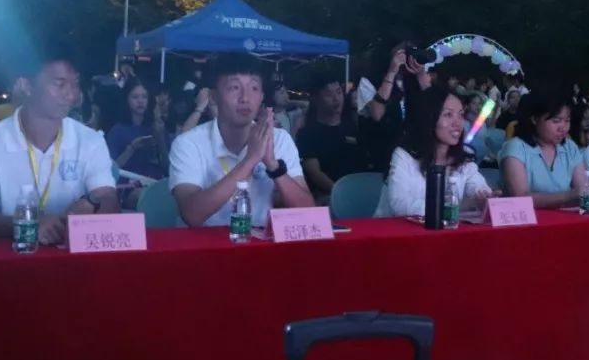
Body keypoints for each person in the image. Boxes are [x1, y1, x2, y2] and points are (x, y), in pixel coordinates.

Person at [0, 47, 120, 243]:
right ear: (26, 86)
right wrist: (28, 225)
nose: (71, 95)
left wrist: (92, 204)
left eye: (75, 84)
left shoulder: (90, 141)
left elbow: (108, 198)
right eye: (60, 84)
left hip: (73, 256)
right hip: (11, 257)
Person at [169, 54, 313, 227]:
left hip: (257, 241)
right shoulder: (188, 143)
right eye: (234, 87)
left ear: (261, 96)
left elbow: (309, 212)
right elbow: (192, 214)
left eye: (254, 88)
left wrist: (273, 166)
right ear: (213, 96)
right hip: (202, 243)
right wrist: (250, 159)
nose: (245, 98)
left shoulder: (279, 139)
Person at [374, 86, 494, 217]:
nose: (458, 123)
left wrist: (485, 197)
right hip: (396, 229)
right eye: (448, 114)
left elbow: (478, 187)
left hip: (443, 228)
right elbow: (400, 205)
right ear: (429, 118)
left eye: (461, 115)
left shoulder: (464, 154)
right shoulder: (404, 155)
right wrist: (453, 207)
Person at [499, 90, 589, 208]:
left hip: (565, 217)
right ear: (534, 119)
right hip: (528, 218)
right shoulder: (516, 148)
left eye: (567, 121)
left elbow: (582, 189)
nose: (563, 128)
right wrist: (569, 196)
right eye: (556, 121)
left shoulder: (569, 147)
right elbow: (520, 197)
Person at [358, 44, 431, 173]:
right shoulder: (369, 80)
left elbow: (433, 104)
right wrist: (391, 72)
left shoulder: (412, 80)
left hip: (412, 150)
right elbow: (377, 114)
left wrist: (420, 73)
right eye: (402, 53)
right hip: (382, 151)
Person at [296, 75, 362, 204]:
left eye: (339, 92)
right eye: (329, 94)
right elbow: (315, 173)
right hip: (327, 196)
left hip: (358, 192)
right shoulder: (307, 134)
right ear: (316, 99)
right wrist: (341, 193)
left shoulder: (353, 128)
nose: (336, 99)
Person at [106, 80, 168, 180]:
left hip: (154, 181)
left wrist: (160, 138)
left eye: (144, 97)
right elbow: (110, 170)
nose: (140, 101)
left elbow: (168, 167)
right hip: (127, 183)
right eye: (135, 97)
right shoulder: (117, 131)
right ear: (126, 99)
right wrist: (132, 148)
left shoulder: (156, 127)